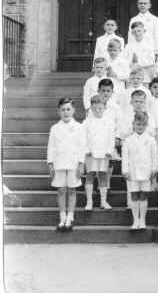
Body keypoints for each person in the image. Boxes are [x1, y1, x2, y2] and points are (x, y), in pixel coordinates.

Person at [47, 98, 86, 231]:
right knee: (61, 190)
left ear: (73, 110)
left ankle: (70, 216)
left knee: (72, 190)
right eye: (63, 109)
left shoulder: (79, 127)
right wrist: (50, 164)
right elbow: (51, 147)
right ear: (59, 111)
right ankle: (62, 217)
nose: (66, 112)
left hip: (73, 163)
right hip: (59, 163)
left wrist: (81, 164)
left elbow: (82, 147)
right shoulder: (55, 128)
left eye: (68, 109)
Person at [122, 111, 158, 230]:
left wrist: (154, 169)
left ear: (146, 125)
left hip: (146, 171)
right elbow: (125, 157)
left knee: (143, 195)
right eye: (138, 124)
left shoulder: (151, 140)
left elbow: (154, 156)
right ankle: (135, 220)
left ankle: (142, 220)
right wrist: (125, 170)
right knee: (133, 195)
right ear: (133, 124)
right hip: (132, 172)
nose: (140, 127)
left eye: (143, 125)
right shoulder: (128, 140)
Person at [83, 95, 116, 211]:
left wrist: (109, 150)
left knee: (103, 175)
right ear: (91, 108)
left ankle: (103, 201)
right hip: (91, 153)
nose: (97, 110)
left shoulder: (109, 122)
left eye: (100, 108)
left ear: (105, 108)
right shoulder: (86, 122)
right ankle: (89, 201)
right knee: (90, 175)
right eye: (95, 108)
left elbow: (111, 137)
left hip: (104, 153)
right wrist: (87, 150)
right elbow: (83, 137)